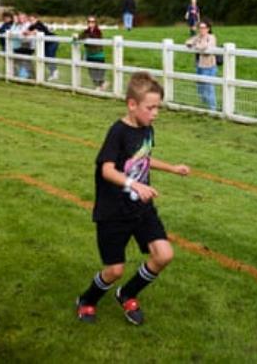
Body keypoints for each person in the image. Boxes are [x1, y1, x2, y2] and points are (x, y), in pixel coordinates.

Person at [76, 71, 191, 325]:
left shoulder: (147, 129)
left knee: (164, 255)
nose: (155, 113)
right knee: (114, 270)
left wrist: (172, 167)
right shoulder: (117, 132)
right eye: (150, 108)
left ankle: (127, 294)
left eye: (157, 107)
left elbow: (143, 159)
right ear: (132, 104)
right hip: (113, 211)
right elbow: (106, 170)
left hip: (141, 209)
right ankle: (87, 300)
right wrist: (133, 184)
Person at [185, 18, 217, 110]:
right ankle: (205, 106)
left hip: (209, 67)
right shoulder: (198, 37)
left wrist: (196, 46)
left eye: (203, 28)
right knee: (200, 88)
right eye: (200, 28)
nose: (201, 30)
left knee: (209, 88)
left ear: (208, 28)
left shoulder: (211, 37)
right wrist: (194, 44)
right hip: (200, 66)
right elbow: (188, 42)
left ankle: (212, 109)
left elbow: (206, 48)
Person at [27, 14, 60, 81]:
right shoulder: (32, 26)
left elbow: (35, 31)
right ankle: (52, 73)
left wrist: (29, 32)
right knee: (45, 57)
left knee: (50, 55)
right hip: (45, 43)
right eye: (30, 20)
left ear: (36, 19)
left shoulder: (39, 24)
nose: (31, 21)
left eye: (32, 20)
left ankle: (54, 73)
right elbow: (27, 30)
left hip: (52, 41)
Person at [78, 16, 107, 90]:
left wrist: (86, 38)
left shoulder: (98, 32)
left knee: (99, 72)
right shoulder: (86, 31)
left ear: (95, 23)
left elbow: (95, 40)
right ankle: (97, 86)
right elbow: (80, 37)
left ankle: (101, 85)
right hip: (89, 55)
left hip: (98, 55)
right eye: (89, 22)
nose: (91, 23)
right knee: (91, 72)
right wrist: (77, 37)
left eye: (92, 22)